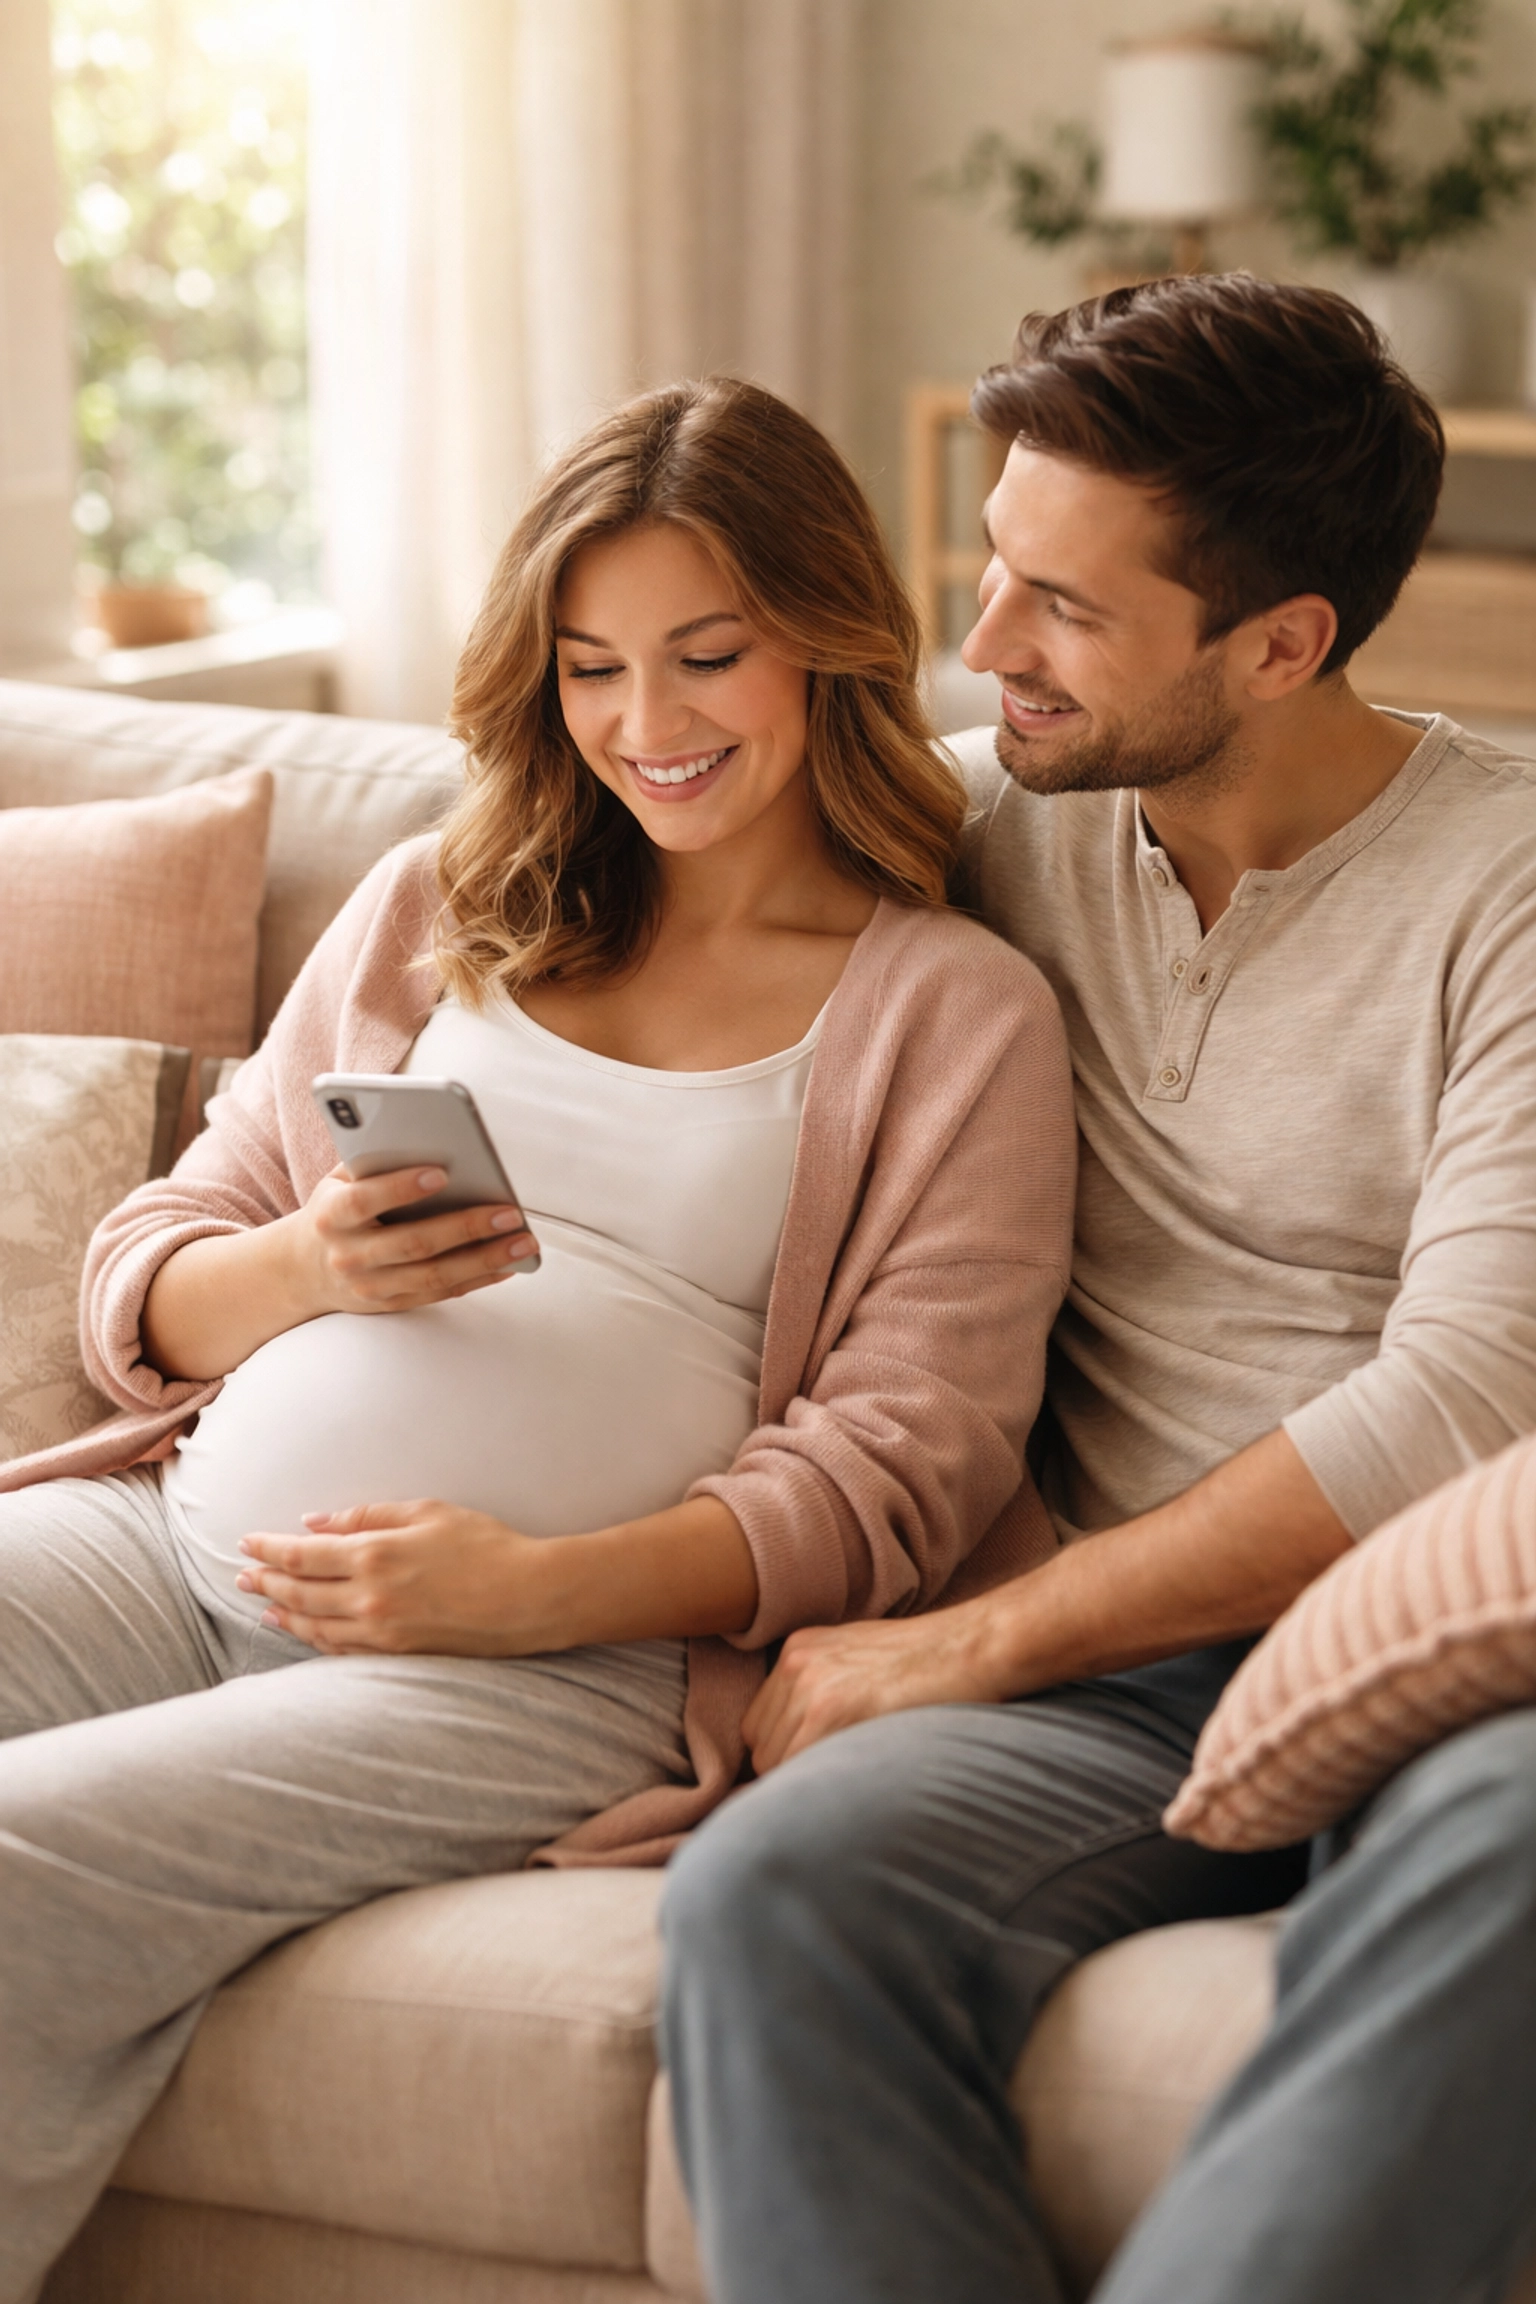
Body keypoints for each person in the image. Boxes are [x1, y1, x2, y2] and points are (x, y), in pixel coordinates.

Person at [0, 377, 1077, 2298]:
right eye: (591, 669)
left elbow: (909, 1464)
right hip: (172, 1541)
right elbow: (149, 1264)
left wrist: (530, 1592)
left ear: (831, 638)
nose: (647, 728)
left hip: (552, 1663)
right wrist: (311, 1270)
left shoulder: (950, 1010)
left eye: (704, 657)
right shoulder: (444, 901)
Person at [661, 278, 1536, 2304]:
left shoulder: (1506, 897)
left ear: (1284, 642)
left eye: (1065, 608)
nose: (983, 649)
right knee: (775, 1896)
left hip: (1463, 1651)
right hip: (1130, 1691)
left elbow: (1461, 1410)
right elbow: (601, 875)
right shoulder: (981, 822)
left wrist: (972, 1646)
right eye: (992, 568)